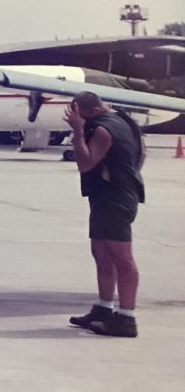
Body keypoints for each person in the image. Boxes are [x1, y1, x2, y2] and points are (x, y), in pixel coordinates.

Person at [63, 91, 146, 338]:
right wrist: (128, 175)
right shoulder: (124, 119)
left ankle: (127, 318)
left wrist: (77, 131)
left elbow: (85, 163)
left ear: (93, 111)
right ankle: (104, 308)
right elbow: (142, 153)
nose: (81, 120)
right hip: (111, 194)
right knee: (101, 251)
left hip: (114, 199)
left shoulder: (101, 130)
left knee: (121, 257)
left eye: (81, 116)